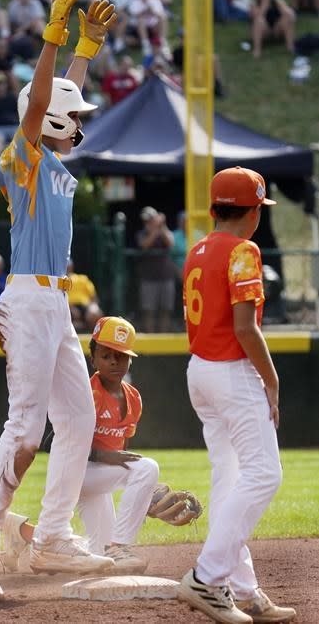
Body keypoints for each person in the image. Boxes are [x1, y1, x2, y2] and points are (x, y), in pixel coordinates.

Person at [0, 0, 118, 601]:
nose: (79, 124)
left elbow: (55, 101)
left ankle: (50, 536)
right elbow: (41, 105)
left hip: (55, 302)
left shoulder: (50, 158)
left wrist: (84, 51)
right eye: (73, 118)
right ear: (47, 119)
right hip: (27, 299)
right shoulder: (23, 157)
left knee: (75, 418)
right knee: (24, 427)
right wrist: (53, 40)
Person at [177, 167, 297, 623]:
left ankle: (244, 590)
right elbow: (246, 328)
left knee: (229, 478)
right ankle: (207, 579)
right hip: (232, 371)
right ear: (252, 213)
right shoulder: (244, 250)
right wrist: (272, 379)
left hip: (199, 371)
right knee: (264, 474)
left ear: (213, 209)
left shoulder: (196, 250)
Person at [2, 316, 161, 574]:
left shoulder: (134, 399)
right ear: (92, 358)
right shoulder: (86, 395)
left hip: (96, 482)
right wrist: (116, 462)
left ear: (131, 359)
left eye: (120, 356)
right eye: (106, 354)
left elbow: (121, 451)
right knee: (148, 467)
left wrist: (144, 494)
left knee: (97, 559)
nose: (113, 361)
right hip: (75, 474)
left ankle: (21, 533)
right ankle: (119, 547)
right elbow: (53, 443)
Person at [136, 205, 175, 333]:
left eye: (151, 220)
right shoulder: (141, 234)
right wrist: (154, 230)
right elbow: (144, 245)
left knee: (166, 309)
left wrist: (162, 226)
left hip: (166, 276)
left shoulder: (163, 231)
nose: (148, 223)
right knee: (149, 310)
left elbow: (171, 243)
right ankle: (150, 337)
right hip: (148, 277)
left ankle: (163, 337)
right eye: (146, 221)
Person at [67, 259, 103, 331]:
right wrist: (70, 308)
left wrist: (93, 307)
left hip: (85, 306)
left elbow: (93, 297)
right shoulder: (58, 282)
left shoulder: (83, 279)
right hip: (69, 307)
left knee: (94, 312)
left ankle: (94, 336)